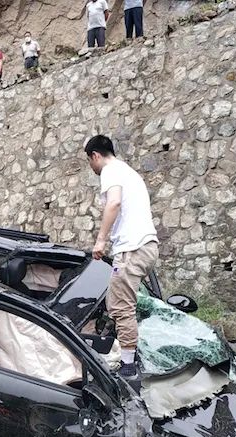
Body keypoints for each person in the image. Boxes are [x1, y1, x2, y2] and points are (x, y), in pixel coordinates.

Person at [84, 135, 158, 386]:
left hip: (131, 250)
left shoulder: (110, 171)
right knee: (114, 300)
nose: (92, 168)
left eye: (90, 162)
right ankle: (118, 347)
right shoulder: (129, 172)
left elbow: (113, 202)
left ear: (95, 155)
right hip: (146, 247)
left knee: (120, 307)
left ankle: (127, 367)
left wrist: (101, 240)